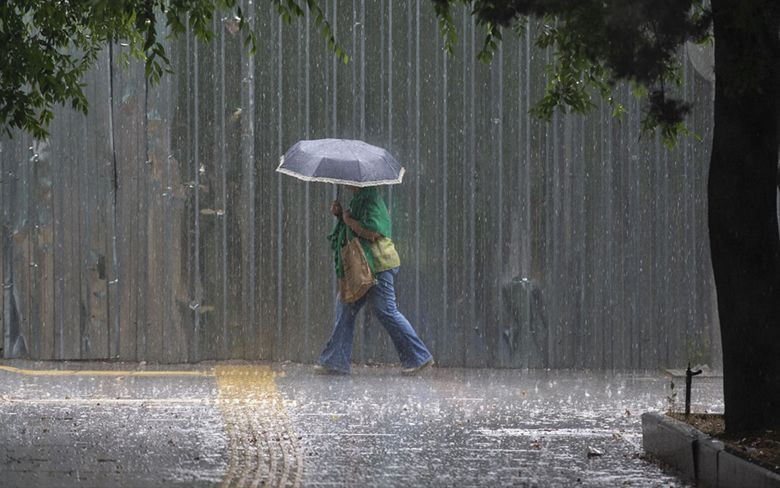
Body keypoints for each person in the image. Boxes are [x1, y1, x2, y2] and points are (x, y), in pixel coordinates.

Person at [316, 185, 434, 375]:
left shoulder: (371, 200)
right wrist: (340, 216)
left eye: (350, 180)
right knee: (346, 307)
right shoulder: (359, 200)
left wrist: (348, 220)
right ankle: (335, 361)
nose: (347, 184)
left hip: (378, 265)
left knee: (386, 310)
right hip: (364, 266)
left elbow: (374, 232)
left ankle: (418, 357)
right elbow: (356, 227)